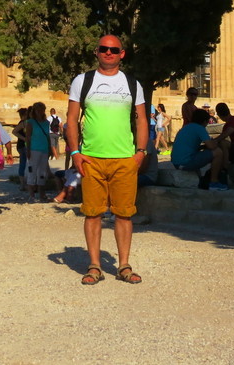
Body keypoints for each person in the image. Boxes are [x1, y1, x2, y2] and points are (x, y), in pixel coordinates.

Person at [65, 35, 148, 285]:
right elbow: (71, 118)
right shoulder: (83, 81)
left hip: (125, 159)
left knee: (124, 215)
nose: (108, 53)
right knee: (93, 214)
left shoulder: (133, 84)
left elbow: (141, 119)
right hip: (91, 159)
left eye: (113, 50)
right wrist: (74, 152)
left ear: (122, 54)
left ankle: (123, 265)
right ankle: (94, 266)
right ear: (96, 52)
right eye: (104, 49)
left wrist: (141, 152)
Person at [170, 108, 229, 190]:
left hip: (177, 162)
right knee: (218, 152)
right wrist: (217, 142)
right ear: (204, 121)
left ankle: (203, 180)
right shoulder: (200, 128)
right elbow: (211, 146)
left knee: (200, 152)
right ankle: (214, 182)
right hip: (185, 163)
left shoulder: (186, 127)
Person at [26, 102, 58, 203]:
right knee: (32, 171)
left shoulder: (46, 123)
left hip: (44, 149)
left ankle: (42, 194)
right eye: (38, 110)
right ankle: (31, 195)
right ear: (34, 111)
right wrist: (28, 150)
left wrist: (50, 149)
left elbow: (48, 137)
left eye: (42, 110)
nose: (40, 112)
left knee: (42, 172)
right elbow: (28, 138)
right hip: (34, 149)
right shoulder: (30, 122)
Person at [11, 107, 29, 191]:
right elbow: (14, 131)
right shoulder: (24, 123)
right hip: (24, 145)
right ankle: (24, 183)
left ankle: (23, 184)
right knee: (26, 164)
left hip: (21, 146)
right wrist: (24, 138)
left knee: (23, 164)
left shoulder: (23, 122)